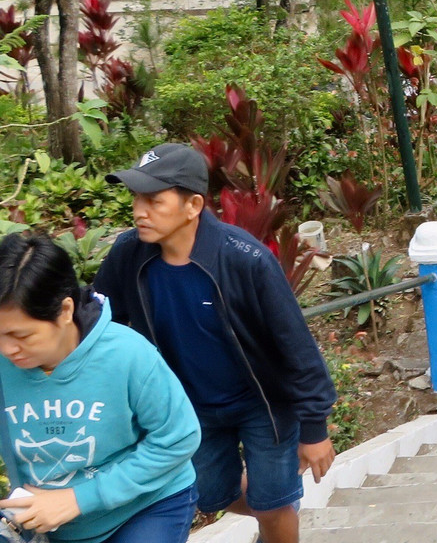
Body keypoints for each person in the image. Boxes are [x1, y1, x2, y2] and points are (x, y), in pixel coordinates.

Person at [96, 143, 337, 543]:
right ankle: (272, 507)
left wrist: (315, 427)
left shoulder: (246, 259)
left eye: (154, 200)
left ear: (192, 206)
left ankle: (275, 508)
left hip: (264, 405)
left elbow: (294, 344)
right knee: (210, 495)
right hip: (190, 407)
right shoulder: (128, 255)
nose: (139, 210)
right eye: (136, 198)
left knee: (274, 504)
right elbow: (101, 321)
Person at [0, 235, 200, 543]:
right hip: (57, 525)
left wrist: (80, 498)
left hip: (146, 506)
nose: (7, 349)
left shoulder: (127, 355)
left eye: (21, 335)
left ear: (65, 311)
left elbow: (179, 437)